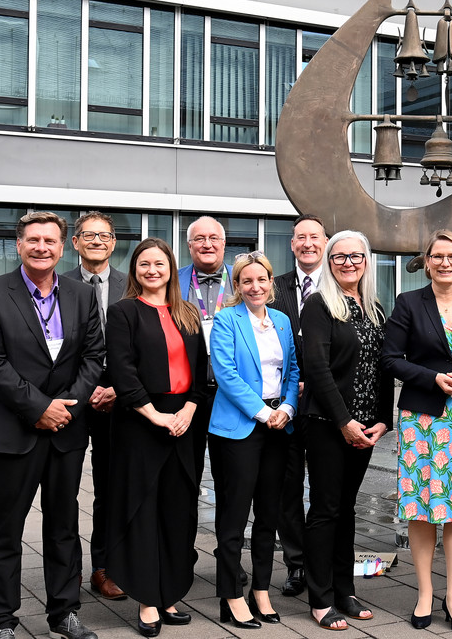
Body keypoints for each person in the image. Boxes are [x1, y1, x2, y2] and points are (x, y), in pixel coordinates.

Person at [0, 211, 105, 639]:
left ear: (63, 247)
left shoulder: (82, 295)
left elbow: (93, 357)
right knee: (6, 529)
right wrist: (40, 407)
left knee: (64, 526)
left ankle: (64, 612)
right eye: (33, 240)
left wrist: (67, 407)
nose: (42, 247)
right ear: (19, 245)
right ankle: (0, 619)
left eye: (50, 240)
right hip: (14, 429)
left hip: (66, 430)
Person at [383, 230, 452, 634]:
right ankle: (426, 593)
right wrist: (433, 378)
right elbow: (391, 359)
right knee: (422, 507)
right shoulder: (409, 303)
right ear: (426, 262)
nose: (445, 262)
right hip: (423, 421)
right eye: (438, 256)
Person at [104, 238, 207, 637]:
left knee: (177, 509)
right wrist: (155, 415)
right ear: (135, 271)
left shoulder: (188, 313)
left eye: (159, 263)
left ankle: (169, 592)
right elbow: (123, 372)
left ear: (170, 269)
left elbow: (202, 374)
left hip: (184, 422)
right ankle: (148, 599)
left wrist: (187, 411)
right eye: (144, 264)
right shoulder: (123, 312)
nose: (152, 270)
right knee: (143, 510)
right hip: (140, 422)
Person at [301, 231, 393, 631]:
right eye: (339, 257)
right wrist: (344, 422)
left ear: (366, 260)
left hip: (366, 427)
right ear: (328, 260)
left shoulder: (373, 307)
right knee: (325, 510)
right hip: (328, 425)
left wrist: (383, 418)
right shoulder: (319, 305)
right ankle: (320, 599)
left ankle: (345, 590)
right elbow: (317, 369)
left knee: (347, 509)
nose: (348, 263)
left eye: (356, 256)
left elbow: (385, 367)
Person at [208, 252, 300, 629]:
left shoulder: (281, 320)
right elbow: (225, 374)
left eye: (261, 279)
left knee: (268, 514)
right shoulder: (227, 320)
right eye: (247, 281)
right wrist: (264, 413)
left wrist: (288, 409)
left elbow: (294, 369)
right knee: (233, 516)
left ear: (271, 283)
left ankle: (260, 589)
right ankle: (231, 595)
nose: (255, 286)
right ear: (237, 286)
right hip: (239, 428)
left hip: (280, 427)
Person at [63, 211, 129, 601]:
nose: (97, 241)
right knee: (64, 487)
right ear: (75, 242)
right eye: (88, 235)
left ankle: (104, 567)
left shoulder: (130, 283)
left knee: (111, 487)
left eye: (104, 235)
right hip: (72, 397)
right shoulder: (59, 283)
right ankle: (65, 571)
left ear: (114, 242)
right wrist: (84, 389)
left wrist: (119, 388)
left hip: (117, 399)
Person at [272, 214, 328, 599]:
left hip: (328, 405)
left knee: (326, 489)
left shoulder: (344, 284)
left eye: (315, 237)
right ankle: (296, 563)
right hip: (286, 404)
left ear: (325, 242)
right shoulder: (272, 287)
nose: (308, 243)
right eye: (301, 237)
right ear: (292, 244)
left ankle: (323, 560)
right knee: (286, 487)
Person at [179, 215, 230, 484]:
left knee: (229, 474)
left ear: (224, 243)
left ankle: (229, 528)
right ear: (189, 246)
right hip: (187, 394)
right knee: (186, 473)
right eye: (199, 239)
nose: (207, 244)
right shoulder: (171, 283)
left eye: (213, 238)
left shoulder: (243, 281)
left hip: (231, 395)